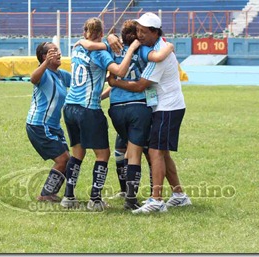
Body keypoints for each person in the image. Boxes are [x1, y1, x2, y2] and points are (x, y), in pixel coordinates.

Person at [77, 19, 174, 210]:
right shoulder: (142, 49)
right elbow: (156, 57)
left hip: (116, 109)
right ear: (137, 35)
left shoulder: (112, 50)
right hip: (138, 107)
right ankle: (131, 198)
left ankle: (125, 191)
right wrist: (168, 46)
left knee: (124, 150)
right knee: (136, 154)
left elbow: (110, 76)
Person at [108, 12, 192, 214]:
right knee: (163, 153)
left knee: (155, 152)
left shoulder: (159, 54)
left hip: (168, 107)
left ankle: (157, 200)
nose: (139, 35)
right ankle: (179, 195)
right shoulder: (154, 46)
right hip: (162, 105)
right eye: (138, 30)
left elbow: (140, 86)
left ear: (155, 32)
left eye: (144, 31)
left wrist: (115, 82)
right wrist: (111, 37)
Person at [59, 17, 140, 211]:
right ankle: (95, 199)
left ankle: (68, 196)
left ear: (84, 32)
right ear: (102, 34)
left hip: (70, 107)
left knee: (78, 152)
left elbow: (92, 78)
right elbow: (119, 70)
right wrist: (129, 50)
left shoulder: (77, 48)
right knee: (102, 153)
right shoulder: (101, 53)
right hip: (88, 110)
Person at [26, 42, 71, 202]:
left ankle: (49, 193)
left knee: (68, 160)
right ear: (45, 57)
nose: (58, 53)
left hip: (54, 126)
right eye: (53, 51)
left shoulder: (60, 75)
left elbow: (79, 83)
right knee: (63, 159)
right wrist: (44, 64)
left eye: (58, 50)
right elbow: (33, 78)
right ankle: (45, 195)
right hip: (39, 124)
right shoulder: (43, 73)